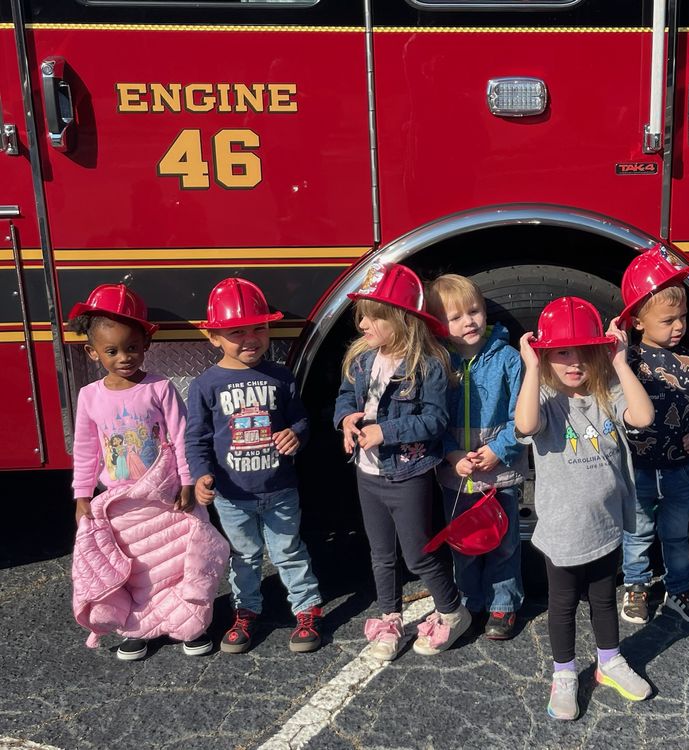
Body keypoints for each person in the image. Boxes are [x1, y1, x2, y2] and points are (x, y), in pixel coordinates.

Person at [514, 296, 656, 721]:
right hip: (562, 531)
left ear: (599, 352)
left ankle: (609, 662)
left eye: (583, 352)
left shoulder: (608, 393)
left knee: (604, 601)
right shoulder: (545, 400)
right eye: (561, 353)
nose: (573, 363)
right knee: (561, 606)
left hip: (606, 526)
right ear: (545, 356)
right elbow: (524, 426)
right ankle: (564, 674)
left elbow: (644, 417)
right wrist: (532, 367)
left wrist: (620, 362)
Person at [69, 284, 225, 661]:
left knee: (176, 561)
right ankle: (136, 628)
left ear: (146, 346)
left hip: (164, 494)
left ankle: (189, 623)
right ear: (93, 353)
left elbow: (181, 436)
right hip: (121, 503)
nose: (124, 357)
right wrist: (82, 494)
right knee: (135, 567)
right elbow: (87, 450)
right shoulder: (90, 396)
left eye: (132, 348)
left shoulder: (160, 387)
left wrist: (188, 482)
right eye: (112, 351)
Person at [334, 261, 472, 662]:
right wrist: (345, 419)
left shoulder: (427, 364)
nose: (363, 326)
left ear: (402, 320)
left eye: (373, 318)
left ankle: (452, 612)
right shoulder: (362, 360)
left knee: (418, 554)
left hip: (407, 473)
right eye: (361, 317)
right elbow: (345, 395)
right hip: (368, 472)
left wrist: (385, 432)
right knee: (380, 554)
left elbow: (435, 419)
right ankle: (390, 619)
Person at [185, 277, 324, 654]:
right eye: (236, 332)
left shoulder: (280, 376)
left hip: (280, 488)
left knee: (288, 551)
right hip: (231, 495)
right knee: (243, 557)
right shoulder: (204, 384)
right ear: (213, 337)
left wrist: (296, 435)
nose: (251, 338)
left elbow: (302, 420)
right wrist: (200, 476)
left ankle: (308, 609)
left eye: (259, 328)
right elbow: (195, 438)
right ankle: (246, 610)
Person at [426, 274, 526, 640]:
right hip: (457, 472)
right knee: (463, 543)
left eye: (475, 311)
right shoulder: (437, 362)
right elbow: (430, 419)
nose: (469, 321)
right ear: (438, 324)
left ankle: (504, 603)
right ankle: (468, 601)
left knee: (504, 542)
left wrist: (500, 451)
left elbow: (524, 417)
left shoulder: (509, 359)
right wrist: (451, 455)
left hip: (500, 471)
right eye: (456, 317)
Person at [617, 249, 689, 626]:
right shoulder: (629, 362)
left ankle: (679, 588)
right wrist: (617, 352)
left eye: (683, 318)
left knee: (677, 535)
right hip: (637, 468)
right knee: (637, 533)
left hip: (678, 469)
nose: (678, 326)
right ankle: (636, 586)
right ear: (638, 322)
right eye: (668, 320)